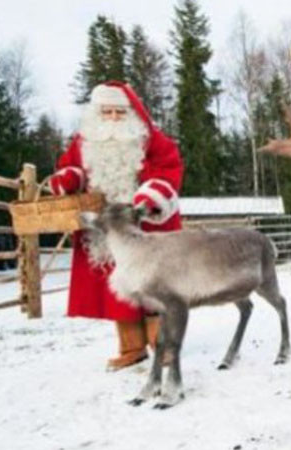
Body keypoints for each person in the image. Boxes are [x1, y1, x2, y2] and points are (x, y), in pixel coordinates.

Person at [50, 81, 183, 370]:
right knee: (118, 290)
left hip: (146, 227)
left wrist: (151, 195)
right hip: (105, 230)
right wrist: (69, 178)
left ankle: (164, 346)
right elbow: (71, 167)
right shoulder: (83, 143)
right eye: (106, 112)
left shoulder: (153, 141)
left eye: (119, 112)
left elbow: (169, 169)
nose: (112, 119)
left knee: (153, 287)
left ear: (132, 114)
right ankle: (132, 347)